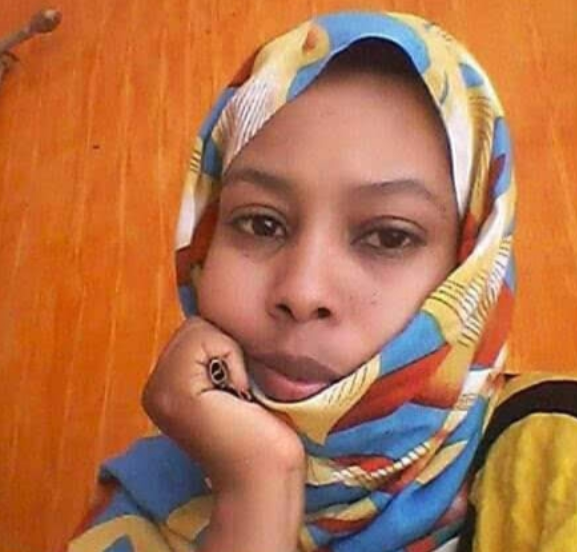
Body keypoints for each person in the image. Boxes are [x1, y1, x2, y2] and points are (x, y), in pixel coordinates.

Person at [69, 10, 577, 552]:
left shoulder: (557, 457)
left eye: (388, 236)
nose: (303, 292)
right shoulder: (140, 513)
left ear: (470, 268)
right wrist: (255, 494)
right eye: (261, 224)